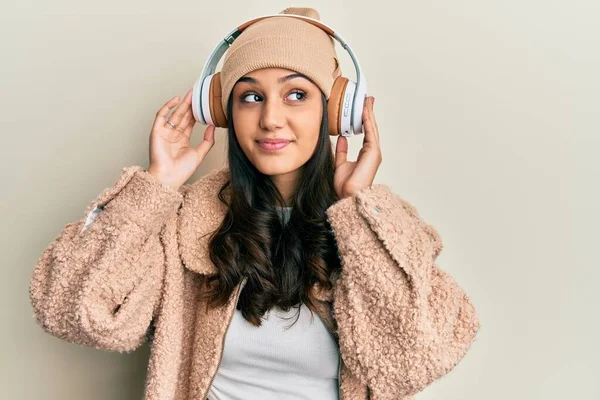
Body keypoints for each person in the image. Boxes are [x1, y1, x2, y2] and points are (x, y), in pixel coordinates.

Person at [28, 7, 480, 400]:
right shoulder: (184, 220)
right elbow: (73, 312)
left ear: (335, 111)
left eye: (297, 94)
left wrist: (360, 208)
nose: (270, 119)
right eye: (250, 97)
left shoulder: (375, 226)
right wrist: (154, 186)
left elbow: (416, 360)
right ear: (225, 111)